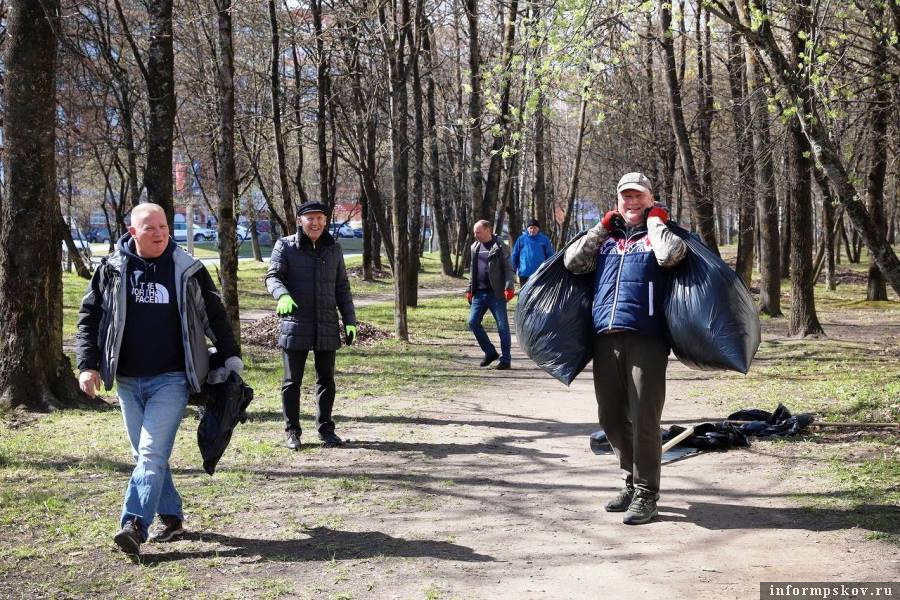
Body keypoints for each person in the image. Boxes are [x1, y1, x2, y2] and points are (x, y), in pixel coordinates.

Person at [75, 203, 243, 555]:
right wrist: (87, 364)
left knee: (150, 453)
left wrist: (230, 356)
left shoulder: (187, 269)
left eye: (164, 226)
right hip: (127, 379)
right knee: (145, 454)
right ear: (132, 232)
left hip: (172, 377)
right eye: (149, 227)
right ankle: (172, 516)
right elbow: (89, 316)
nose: (159, 233)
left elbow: (214, 313)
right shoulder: (112, 269)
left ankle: (134, 524)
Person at [563, 172, 687, 525]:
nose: (631, 203)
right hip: (605, 337)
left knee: (645, 417)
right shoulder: (606, 239)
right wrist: (601, 227)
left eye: (638, 197)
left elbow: (672, 256)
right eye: (625, 198)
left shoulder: (661, 234)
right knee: (612, 418)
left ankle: (647, 493)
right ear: (617, 202)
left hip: (647, 338)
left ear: (649, 199)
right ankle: (631, 481)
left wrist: (655, 223)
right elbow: (573, 262)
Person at [266, 200, 357, 451]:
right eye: (310, 218)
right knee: (291, 381)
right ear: (300, 221)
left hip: (326, 323)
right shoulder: (285, 246)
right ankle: (292, 431)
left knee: (326, 380)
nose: (315, 223)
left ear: (326, 221)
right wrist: (282, 295)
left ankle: (326, 429)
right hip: (295, 324)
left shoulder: (334, 249)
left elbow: (342, 288)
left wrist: (349, 321)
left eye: (320, 218)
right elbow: (272, 276)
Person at [466, 220, 515, 370]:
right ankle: (490, 352)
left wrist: (509, 287)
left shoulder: (500, 246)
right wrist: (469, 289)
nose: (475, 235)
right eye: (475, 232)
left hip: (496, 294)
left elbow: (508, 268)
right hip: (479, 294)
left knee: (502, 327)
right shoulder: (474, 247)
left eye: (478, 232)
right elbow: (472, 270)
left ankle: (505, 360)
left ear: (488, 230)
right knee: (473, 323)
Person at [511, 218, 554, 286]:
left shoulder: (544, 239)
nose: (533, 230)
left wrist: (550, 269)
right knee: (524, 295)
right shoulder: (521, 239)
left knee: (539, 296)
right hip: (524, 274)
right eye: (531, 228)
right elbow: (515, 255)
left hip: (540, 274)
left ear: (538, 229)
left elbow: (550, 255)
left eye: (535, 228)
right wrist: (513, 270)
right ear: (527, 229)